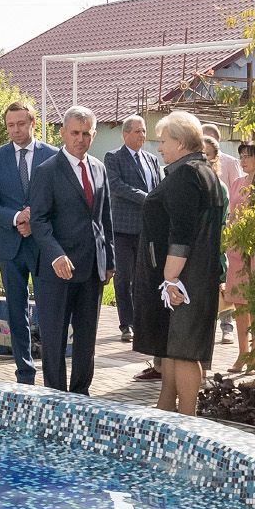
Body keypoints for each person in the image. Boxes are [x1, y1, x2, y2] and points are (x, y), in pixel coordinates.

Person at [132, 110, 226, 416]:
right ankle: (165, 409)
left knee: (185, 350)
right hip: (194, 274)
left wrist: (170, 278)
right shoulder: (203, 171)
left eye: (163, 141)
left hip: (186, 278)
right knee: (173, 347)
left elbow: (182, 232)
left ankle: (187, 418)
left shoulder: (187, 175)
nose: (159, 147)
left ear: (181, 143)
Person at [29, 106, 113, 394]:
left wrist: (109, 260)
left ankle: (81, 394)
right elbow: (39, 220)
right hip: (58, 271)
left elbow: (105, 218)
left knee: (87, 338)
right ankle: (55, 396)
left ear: (94, 135)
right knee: (54, 338)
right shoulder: (47, 171)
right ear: (63, 133)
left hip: (92, 268)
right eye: (75, 133)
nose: (80, 139)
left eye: (86, 133)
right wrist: (56, 254)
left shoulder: (99, 168)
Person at [0, 101, 59, 384]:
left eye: (21, 124)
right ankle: (24, 373)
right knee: (16, 311)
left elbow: (60, 200)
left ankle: (53, 374)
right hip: (10, 247)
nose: (15, 130)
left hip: (44, 246)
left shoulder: (53, 155)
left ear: (33, 123)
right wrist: (16, 218)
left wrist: (33, 220)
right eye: (10, 125)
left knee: (49, 311)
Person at [104, 115, 162, 346]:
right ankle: (126, 324)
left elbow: (158, 187)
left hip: (146, 229)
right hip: (122, 228)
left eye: (144, 131)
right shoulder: (114, 157)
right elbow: (116, 186)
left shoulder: (151, 159)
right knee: (123, 277)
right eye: (137, 131)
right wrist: (145, 198)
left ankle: (141, 322)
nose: (142, 135)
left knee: (143, 278)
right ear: (125, 134)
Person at [204, 123, 243, 344]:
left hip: (220, 240)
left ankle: (226, 326)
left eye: (208, 155)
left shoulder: (222, 182)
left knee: (222, 286)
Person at [225, 142, 255, 373]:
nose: (244, 160)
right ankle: (242, 353)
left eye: (248, 156)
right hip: (236, 250)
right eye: (241, 156)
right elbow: (231, 215)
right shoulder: (237, 182)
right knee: (239, 305)